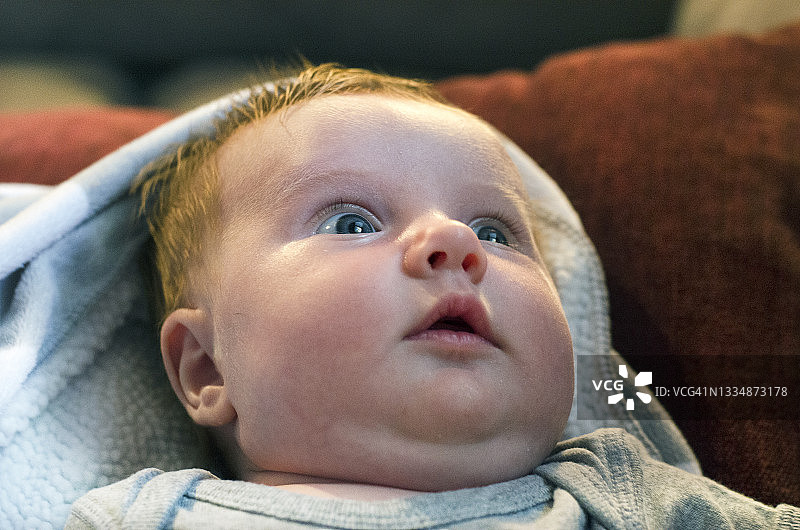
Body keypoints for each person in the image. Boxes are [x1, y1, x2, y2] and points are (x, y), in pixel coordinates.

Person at [65, 64, 799, 528]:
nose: (456, 243)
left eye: (498, 230)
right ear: (205, 369)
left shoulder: (625, 496)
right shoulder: (145, 517)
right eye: (351, 221)